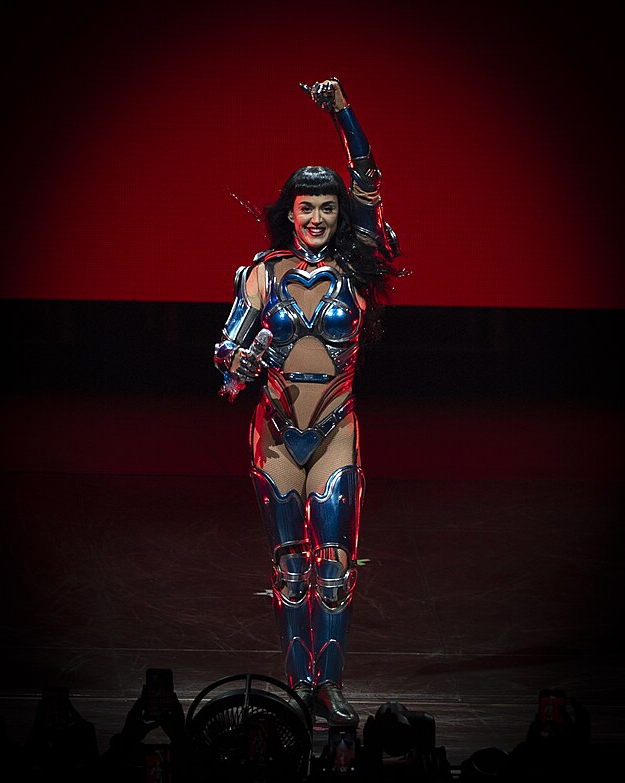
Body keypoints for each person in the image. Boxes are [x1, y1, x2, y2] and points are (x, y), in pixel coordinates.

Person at [214, 77, 403, 726]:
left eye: (327, 207)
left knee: (334, 572)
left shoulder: (356, 266)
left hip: (334, 431)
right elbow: (227, 356)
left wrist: (343, 112)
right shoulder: (262, 273)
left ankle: (332, 684)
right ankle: (299, 687)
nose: (317, 217)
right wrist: (240, 362)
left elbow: (369, 181)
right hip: (275, 432)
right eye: (306, 207)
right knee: (291, 570)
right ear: (290, 214)